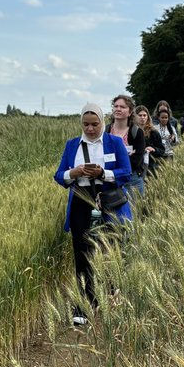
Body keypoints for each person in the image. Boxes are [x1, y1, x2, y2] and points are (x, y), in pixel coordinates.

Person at [53, 103, 133, 323]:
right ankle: (84, 304)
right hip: (80, 201)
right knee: (82, 253)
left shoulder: (114, 142)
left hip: (108, 202)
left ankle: (110, 293)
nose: (89, 129)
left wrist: (102, 173)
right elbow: (59, 176)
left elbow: (126, 173)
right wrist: (74, 172)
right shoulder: (72, 146)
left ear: (102, 122)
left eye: (94, 124)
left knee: (109, 250)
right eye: (85, 124)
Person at [109, 94, 147, 201]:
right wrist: (125, 156)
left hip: (132, 180)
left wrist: (113, 158)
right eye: (116, 106)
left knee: (134, 214)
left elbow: (136, 161)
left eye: (122, 107)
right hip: (110, 179)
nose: (118, 109)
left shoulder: (136, 132)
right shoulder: (106, 131)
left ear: (130, 112)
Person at [134, 105, 165, 178]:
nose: (142, 117)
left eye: (144, 115)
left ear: (148, 117)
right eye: (140, 115)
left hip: (150, 166)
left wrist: (154, 149)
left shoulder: (153, 132)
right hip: (136, 166)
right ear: (135, 117)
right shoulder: (131, 131)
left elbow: (162, 150)